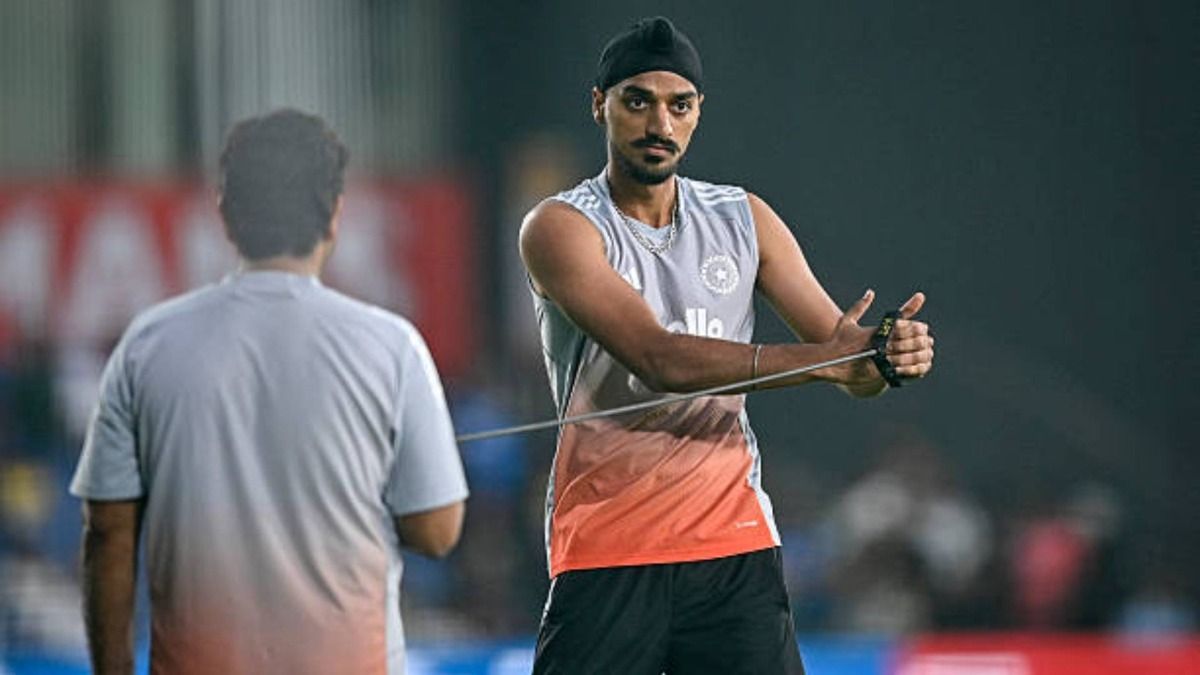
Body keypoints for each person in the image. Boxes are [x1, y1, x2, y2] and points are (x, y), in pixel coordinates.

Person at [519, 17, 934, 674]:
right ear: (600, 103)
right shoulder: (561, 227)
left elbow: (855, 371)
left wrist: (886, 356)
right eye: (638, 100)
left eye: (678, 105)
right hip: (608, 552)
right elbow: (661, 360)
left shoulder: (745, 219)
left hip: (733, 552)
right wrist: (834, 362)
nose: (660, 122)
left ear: (697, 114)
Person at [69, 109, 468, 675]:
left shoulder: (147, 344)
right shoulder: (392, 347)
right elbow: (436, 531)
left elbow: (106, 532)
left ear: (226, 215)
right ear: (334, 216)